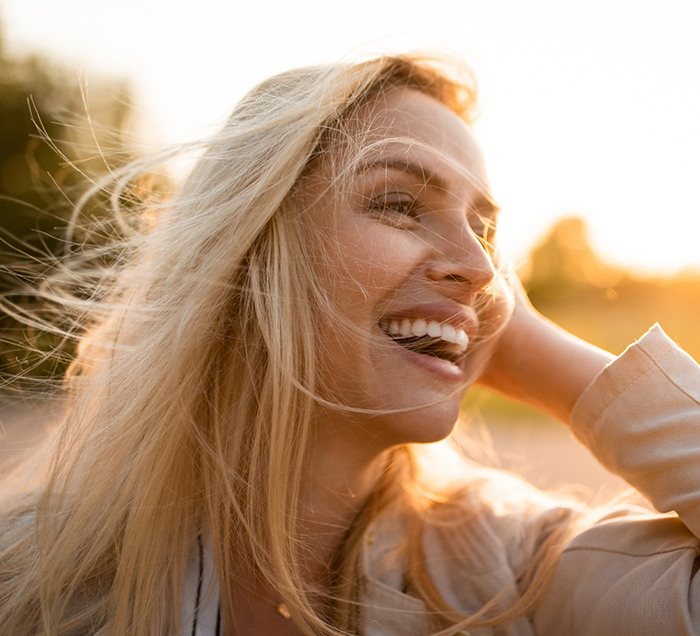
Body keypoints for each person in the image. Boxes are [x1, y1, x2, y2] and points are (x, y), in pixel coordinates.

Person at [1, 54, 699, 636]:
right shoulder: (35, 580)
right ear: (246, 251)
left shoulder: (512, 572)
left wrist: (532, 346)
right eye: (399, 204)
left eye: (484, 231)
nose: (485, 268)